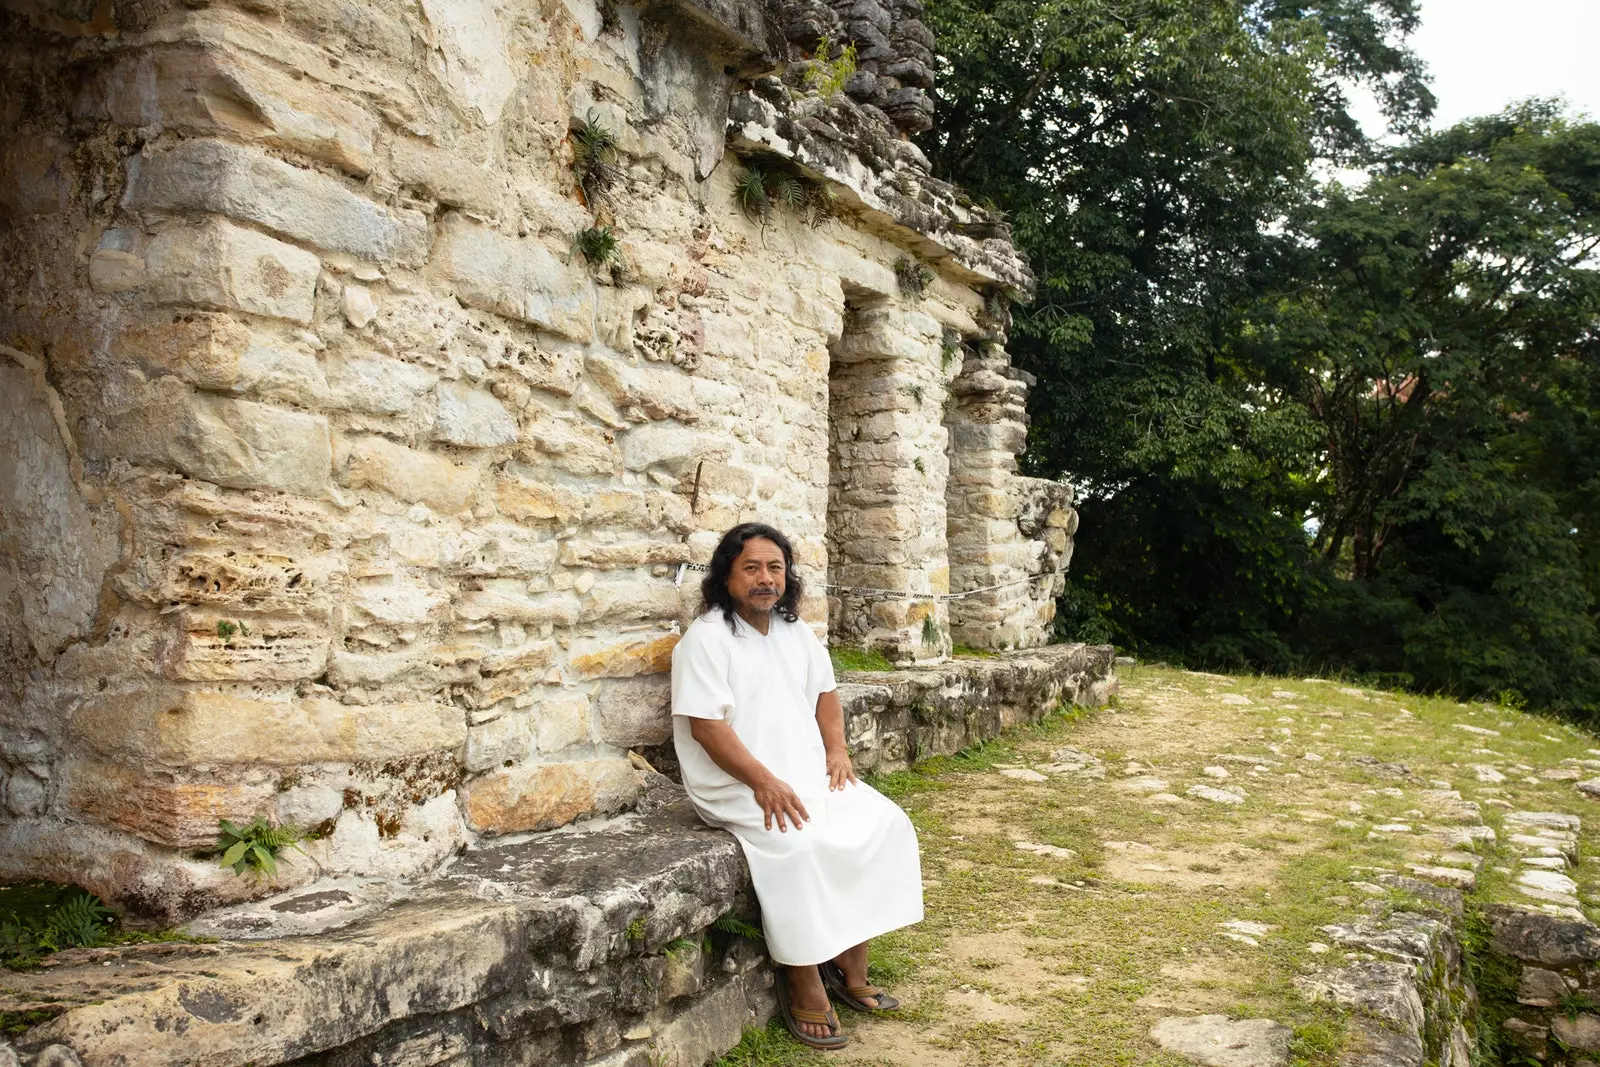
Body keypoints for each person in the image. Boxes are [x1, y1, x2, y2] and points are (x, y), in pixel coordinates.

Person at [670, 522, 924, 1050]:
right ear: (727, 576)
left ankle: (850, 962)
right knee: (797, 844)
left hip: (805, 772)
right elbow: (706, 727)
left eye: (775, 568)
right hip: (737, 785)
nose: (765, 579)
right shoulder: (706, 639)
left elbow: (826, 696)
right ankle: (802, 974)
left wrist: (837, 752)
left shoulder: (794, 631)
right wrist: (763, 781)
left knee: (883, 823)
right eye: (752, 568)